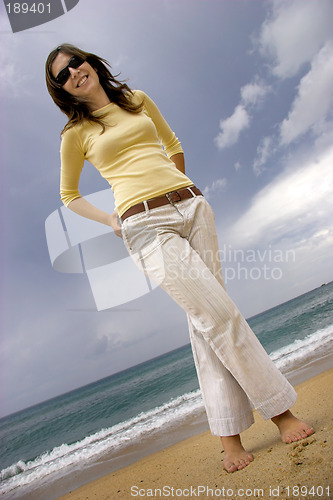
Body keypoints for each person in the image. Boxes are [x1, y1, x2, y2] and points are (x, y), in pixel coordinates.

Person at [45, 44, 314, 473]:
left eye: (76, 63)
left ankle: (229, 437)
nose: (74, 73)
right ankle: (281, 413)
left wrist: (181, 185)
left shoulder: (136, 99)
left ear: (90, 62)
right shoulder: (75, 135)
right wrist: (110, 219)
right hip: (145, 226)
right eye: (63, 75)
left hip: (191, 207)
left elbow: (171, 143)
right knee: (219, 316)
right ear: (63, 91)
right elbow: (68, 195)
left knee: (208, 320)